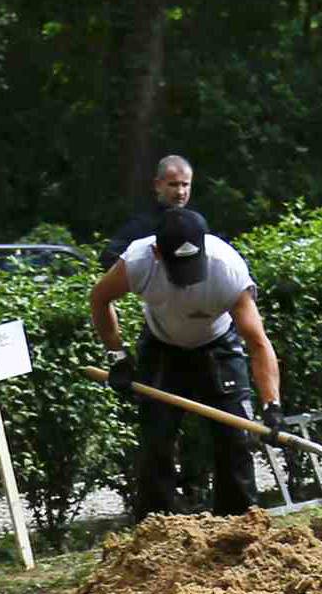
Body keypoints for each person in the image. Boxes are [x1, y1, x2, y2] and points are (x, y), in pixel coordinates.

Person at [89, 205, 286, 520]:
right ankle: (158, 533)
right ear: (156, 252)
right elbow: (99, 299)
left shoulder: (228, 271)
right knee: (156, 442)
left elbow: (258, 343)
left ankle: (240, 530)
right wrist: (118, 357)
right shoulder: (137, 261)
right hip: (162, 346)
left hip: (217, 346)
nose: (186, 281)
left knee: (234, 439)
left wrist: (271, 405)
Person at [99, 153, 194, 270]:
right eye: (173, 185)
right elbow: (108, 258)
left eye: (185, 185)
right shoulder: (141, 225)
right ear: (158, 185)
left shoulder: (195, 224)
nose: (180, 192)